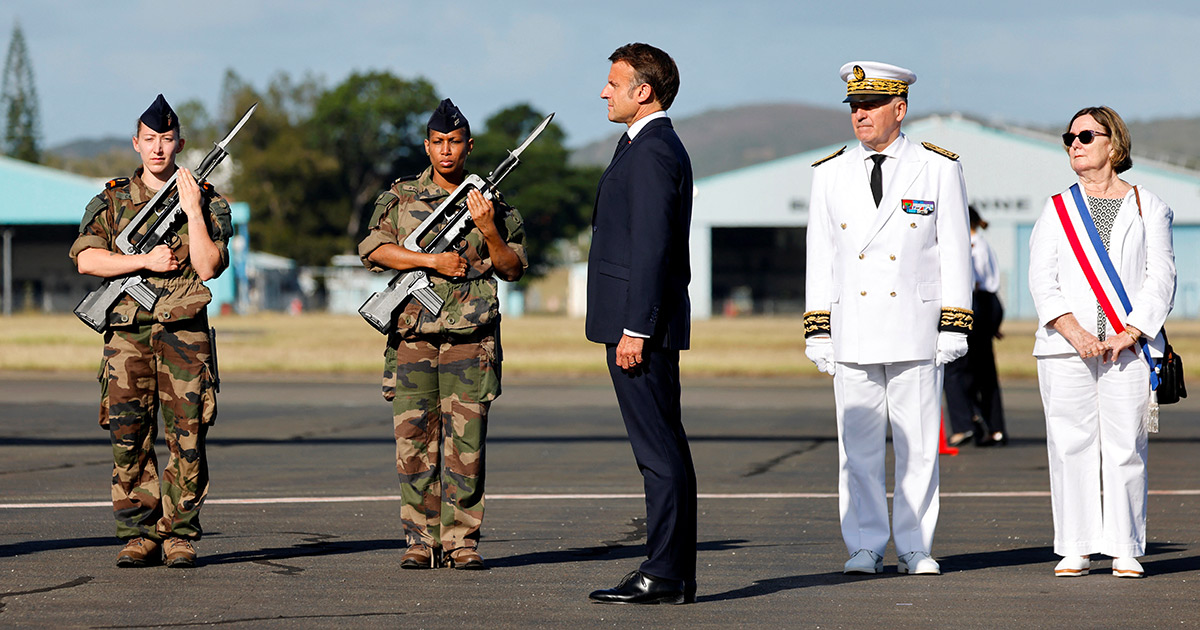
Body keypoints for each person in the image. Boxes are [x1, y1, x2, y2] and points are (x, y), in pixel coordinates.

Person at [803, 62, 973, 576]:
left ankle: (917, 544)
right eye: (854, 106)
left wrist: (954, 323)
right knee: (857, 449)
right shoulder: (829, 172)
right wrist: (818, 329)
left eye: (871, 105)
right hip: (852, 324)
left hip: (914, 324)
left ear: (900, 108)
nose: (860, 115)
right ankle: (865, 544)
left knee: (919, 445)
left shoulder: (937, 166)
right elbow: (821, 255)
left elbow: (953, 252)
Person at [358, 98, 527, 571]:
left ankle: (461, 541)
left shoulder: (492, 205)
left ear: (469, 147)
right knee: (413, 441)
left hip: (471, 342)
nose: (446, 151)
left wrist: (488, 230)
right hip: (413, 337)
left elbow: (513, 268)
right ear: (427, 146)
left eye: (455, 143)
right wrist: (431, 261)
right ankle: (418, 539)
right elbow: (372, 249)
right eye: (438, 143)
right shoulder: (401, 197)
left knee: (465, 445)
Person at [69, 94, 230, 568]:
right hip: (127, 337)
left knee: (187, 435)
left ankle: (179, 533)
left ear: (180, 143)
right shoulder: (112, 200)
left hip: (185, 334)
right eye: (150, 139)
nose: (158, 148)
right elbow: (86, 258)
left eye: (166, 139)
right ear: (136, 144)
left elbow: (209, 266)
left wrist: (193, 209)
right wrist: (142, 260)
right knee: (128, 434)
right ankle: (138, 533)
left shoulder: (207, 198)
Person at [1028, 106, 1175, 579]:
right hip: (1065, 347)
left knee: (1125, 446)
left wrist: (1131, 330)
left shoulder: (1147, 206)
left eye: (1086, 135)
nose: (1075, 143)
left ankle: (1125, 545)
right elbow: (1041, 278)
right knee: (1070, 445)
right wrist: (1074, 331)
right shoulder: (1057, 207)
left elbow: (1161, 278)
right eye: (1068, 136)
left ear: (1113, 144)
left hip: (1129, 347)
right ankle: (1076, 545)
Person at [585, 43, 696, 605]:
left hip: (640, 328)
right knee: (660, 446)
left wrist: (637, 328)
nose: (604, 91)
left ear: (642, 91)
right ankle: (670, 570)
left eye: (613, 82)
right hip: (638, 322)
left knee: (659, 451)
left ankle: (666, 571)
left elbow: (652, 248)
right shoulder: (643, 145)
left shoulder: (652, 151)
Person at [944, 206, 1008, 446]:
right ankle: (995, 427)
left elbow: (967, 281)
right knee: (985, 371)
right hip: (988, 304)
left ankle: (965, 423)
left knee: (955, 368)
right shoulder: (982, 243)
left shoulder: (967, 246)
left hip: (973, 303)